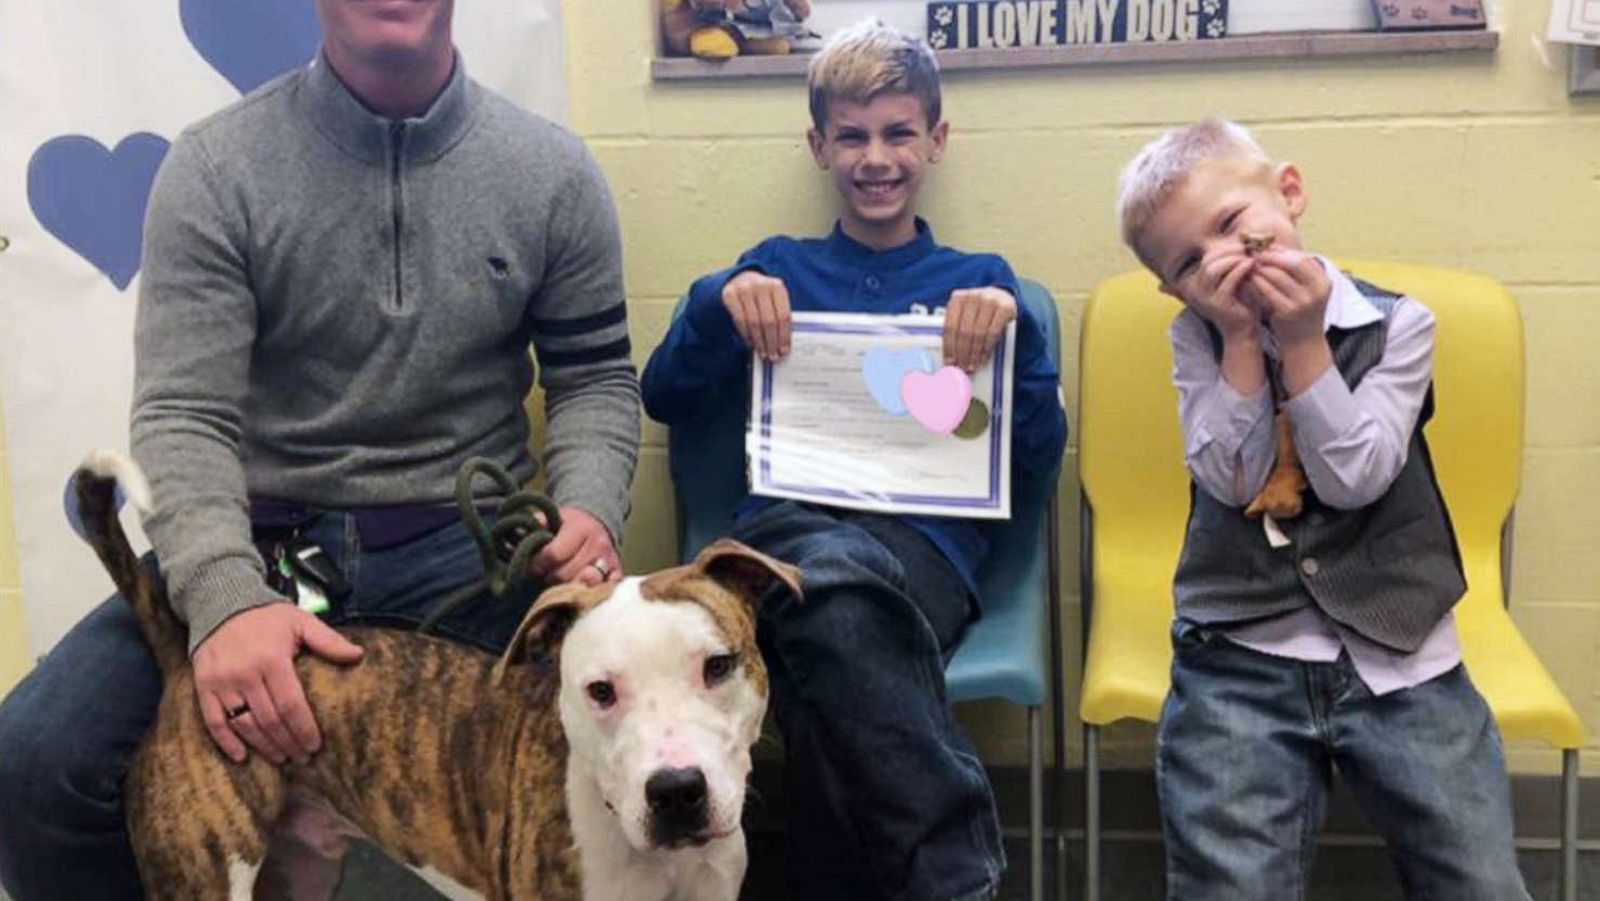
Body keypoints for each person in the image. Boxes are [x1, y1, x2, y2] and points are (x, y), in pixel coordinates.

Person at [0, 0, 639, 897]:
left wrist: (588, 509)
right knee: (37, 759)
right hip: (261, 550)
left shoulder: (554, 172)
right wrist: (223, 600)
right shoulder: (216, 166)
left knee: (627, 750)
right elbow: (183, 413)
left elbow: (597, 379)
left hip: (477, 560)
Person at [641, 20, 1066, 901]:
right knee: (823, 582)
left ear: (935, 141)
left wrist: (1012, 340)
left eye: (899, 132)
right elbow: (665, 397)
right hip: (786, 532)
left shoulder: (980, 279)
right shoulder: (776, 270)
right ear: (820, 145)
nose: (877, 157)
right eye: (854, 136)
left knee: (826, 621)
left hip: (923, 554)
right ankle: (954, 872)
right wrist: (716, 303)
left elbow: (1034, 462)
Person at [1115, 117, 1530, 900]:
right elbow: (1232, 481)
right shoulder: (1195, 339)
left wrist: (1303, 340)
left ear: (1290, 194)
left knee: (1477, 877)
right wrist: (1240, 341)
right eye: (1192, 261)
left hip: (1403, 650)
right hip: (1241, 652)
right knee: (1229, 882)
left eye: (1233, 225)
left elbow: (1355, 478)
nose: (1223, 260)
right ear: (1173, 289)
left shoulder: (1400, 324)